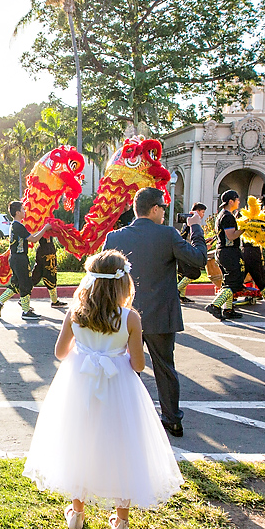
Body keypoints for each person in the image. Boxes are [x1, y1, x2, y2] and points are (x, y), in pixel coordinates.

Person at [22, 250, 184, 529]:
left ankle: (77, 513)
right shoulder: (130, 318)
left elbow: (60, 353)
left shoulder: (76, 313)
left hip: (79, 385)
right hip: (119, 387)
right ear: (123, 284)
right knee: (122, 445)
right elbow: (138, 364)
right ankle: (121, 522)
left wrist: (86, 352)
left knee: (80, 441)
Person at [103, 187, 207, 438]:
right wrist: (195, 228)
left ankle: (126, 417)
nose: (164, 212)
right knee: (165, 368)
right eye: (163, 207)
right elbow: (199, 259)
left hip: (123, 316)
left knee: (126, 368)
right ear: (154, 209)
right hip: (161, 314)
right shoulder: (167, 234)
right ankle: (172, 419)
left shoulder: (114, 237)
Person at [206, 191, 265, 320]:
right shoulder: (228, 216)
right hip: (229, 252)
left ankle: (228, 309)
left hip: (224, 252)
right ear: (230, 201)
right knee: (235, 282)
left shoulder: (223, 215)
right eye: (237, 200)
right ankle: (215, 305)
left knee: (229, 281)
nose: (238, 202)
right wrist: (246, 228)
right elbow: (231, 236)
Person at [0, 201, 52, 321]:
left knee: (17, 284)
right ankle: (25, 311)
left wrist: (41, 230)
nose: (25, 212)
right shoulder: (18, 226)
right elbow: (33, 239)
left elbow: (29, 237)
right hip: (19, 258)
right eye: (23, 210)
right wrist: (45, 229)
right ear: (18, 212)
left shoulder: (16, 225)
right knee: (25, 284)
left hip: (16, 258)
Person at [0, 235, 67, 309]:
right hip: (46, 252)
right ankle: (53, 301)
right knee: (49, 275)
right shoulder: (43, 225)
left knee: (35, 276)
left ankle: (23, 300)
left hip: (45, 251)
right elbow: (33, 236)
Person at [177, 203, 208, 303]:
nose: (203, 215)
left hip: (186, 251)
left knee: (184, 274)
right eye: (202, 212)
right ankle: (176, 291)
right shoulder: (191, 224)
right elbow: (184, 238)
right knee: (193, 273)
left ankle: (181, 295)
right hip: (186, 252)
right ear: (197, 212)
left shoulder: (190, 223)